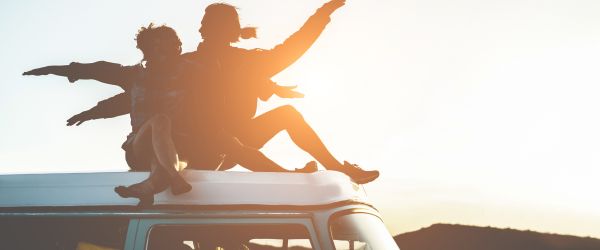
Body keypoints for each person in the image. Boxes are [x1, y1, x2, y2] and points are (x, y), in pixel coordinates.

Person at [27, 0, 379, 184]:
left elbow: (291, 49)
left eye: (205, 23)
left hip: (228, 137)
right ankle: (288, 176)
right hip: (201, 141)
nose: (197, 28)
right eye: (201, 23)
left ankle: (336, 168)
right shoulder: (188, 63)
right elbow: (143, 92)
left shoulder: (239, 62)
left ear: (223, 29)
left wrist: (322, 15)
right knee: (226, 139)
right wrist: (95, 110)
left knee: (285, 118)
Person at [24, 24, 316, 206]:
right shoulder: (132, 75)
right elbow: (90, 70)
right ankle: (172, 178)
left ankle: (153, 185)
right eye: (160, 50)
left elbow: (233, 78)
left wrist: (271, 86)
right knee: (161, 122)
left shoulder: (190, 71)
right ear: (147, 52)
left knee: (227, 145)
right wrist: (51, 72)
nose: (170, 53)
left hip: (178, 148)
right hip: (139, 146)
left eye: (174, 46)